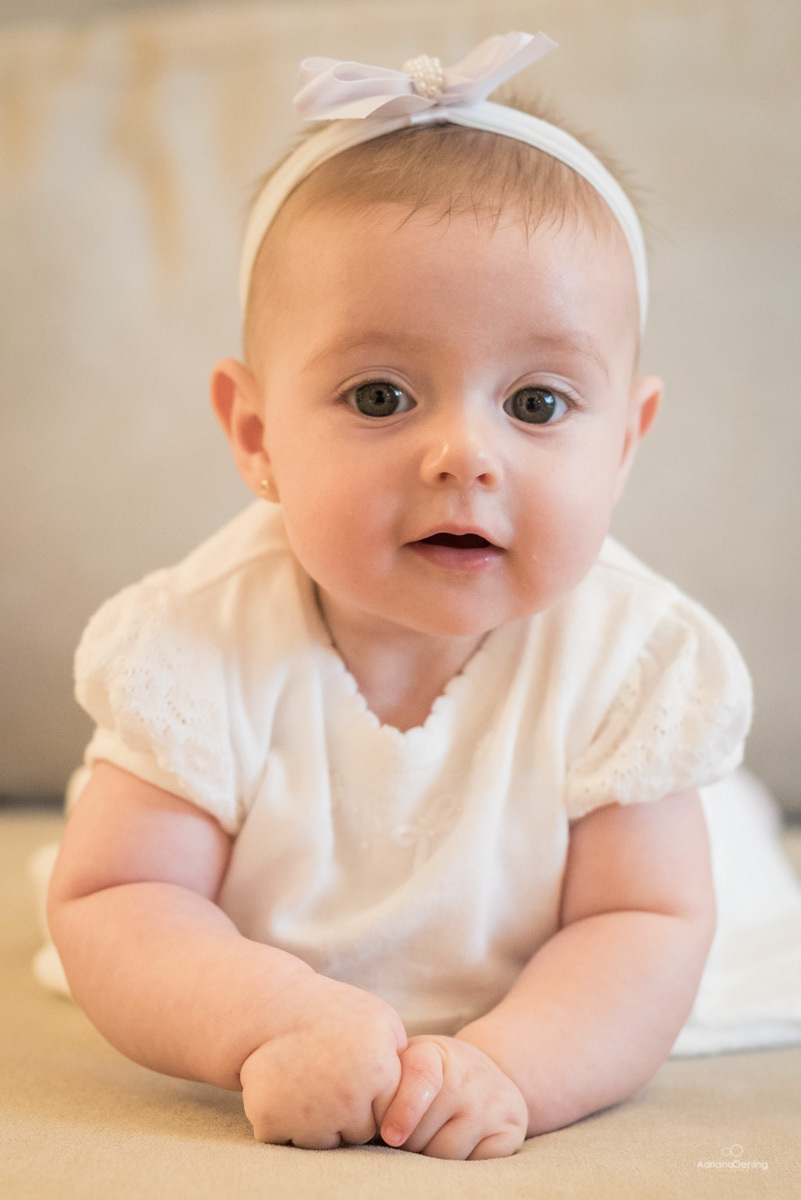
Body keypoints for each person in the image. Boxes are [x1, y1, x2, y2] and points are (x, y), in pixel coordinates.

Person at [45, 33, 753, 1160]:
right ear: (257, 434)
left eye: (536, 403)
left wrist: (513, 1066)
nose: (464, 456)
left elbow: (642, 921)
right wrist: (268, 1021)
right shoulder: (197, 642)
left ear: (627, 442)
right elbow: (115, 899)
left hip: (539, 983)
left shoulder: (631, 662)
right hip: (264, 970)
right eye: (381, 394)